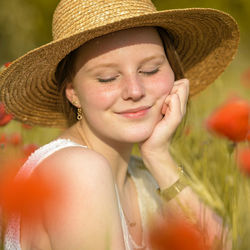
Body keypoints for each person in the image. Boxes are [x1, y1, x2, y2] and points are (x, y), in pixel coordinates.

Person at [0, 0, 239, 249]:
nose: (135, 91)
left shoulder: (143, 176)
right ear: (73, 93)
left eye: (150, 70)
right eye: (108, 78)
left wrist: (159, 157)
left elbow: (222, 244)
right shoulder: (78, 170)